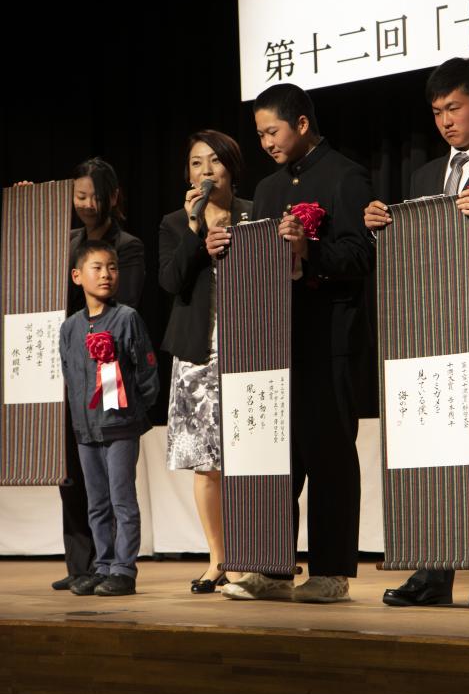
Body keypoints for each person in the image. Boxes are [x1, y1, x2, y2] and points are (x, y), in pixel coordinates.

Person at [365, 56, 469, 611]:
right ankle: (432, 570)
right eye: (437, 112)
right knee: (433, 452)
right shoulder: (423, 176)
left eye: (454, 108)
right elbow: (419, 257)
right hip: (434, 336)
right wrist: (384, 231)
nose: (445, 121)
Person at [210, 84, 375, 603]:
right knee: (273, 455)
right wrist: (224, 250)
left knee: (328, 456)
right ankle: (271, 567)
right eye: (259, 134)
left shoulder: (345, 175)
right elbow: (259, 260)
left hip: (328, 338)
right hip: (270, 340)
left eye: (272, 131)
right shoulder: (268, 188)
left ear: (301, 123)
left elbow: (360, 257)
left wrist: (312, 249)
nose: (265, 143)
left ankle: (330, 572)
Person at [17, 158, 145, 591]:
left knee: (116, 493)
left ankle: (115, 566)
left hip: (111, 384)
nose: (88, 204)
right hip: (70, 367)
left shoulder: (125, 246)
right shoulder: (64, 240)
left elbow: (127, 316)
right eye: (80, 196)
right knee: (74, 475)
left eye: (95, 195)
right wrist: (28, 204)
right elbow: (27, 268)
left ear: (113, 197)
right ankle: (83, 566)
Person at [159, 130, 252, 593]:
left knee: (249, 458)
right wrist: (197, 235)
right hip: (199, 353)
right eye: (197, 163)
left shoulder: (253, 214)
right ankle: (218, 559)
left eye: (214, 161)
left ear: (231, 167)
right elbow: (171, 281)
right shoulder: (177, 223)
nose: (206, 171)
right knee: (207, 463)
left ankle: (252, 554)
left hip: (251, 350)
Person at [59, 240, 158, 596]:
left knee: (121, 500)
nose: (106, 274)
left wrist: (133, 413)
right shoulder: (69, 328)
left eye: (112, 267)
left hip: (120, 426)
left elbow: (147, 373)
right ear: (77, 276)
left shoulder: (126, 318)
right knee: (96, 501)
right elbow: (70, 377)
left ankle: (123, 569)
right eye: (97, 267)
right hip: (85, 429)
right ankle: (101, 565)